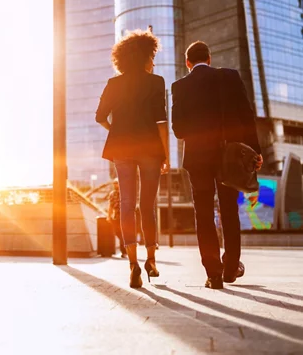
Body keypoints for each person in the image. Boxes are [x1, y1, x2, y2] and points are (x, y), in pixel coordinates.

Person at [171, 41, 262, 289]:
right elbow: (247, 116)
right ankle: (231, 267)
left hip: (198, 158)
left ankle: (213, 273)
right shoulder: (230, 77)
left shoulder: (179, 86)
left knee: (203, 212)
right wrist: (256, 152)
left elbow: (178, 130)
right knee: (229, 210)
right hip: (229, 156)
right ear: (209, 59)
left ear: (188, 63)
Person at [96, 29, 170, 288]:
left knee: (127, 205)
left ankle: (133, 265)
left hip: (122, 150)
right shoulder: (156, 82)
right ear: (142, 57)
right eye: (152, 57)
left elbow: (100, 117)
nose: (154, 62)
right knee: (147, 206)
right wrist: (166, 156)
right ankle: (151, 261)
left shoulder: (113, 83)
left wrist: (116, 131)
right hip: (150, 149)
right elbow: (161, 122)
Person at [107, 179, 127, 258]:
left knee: (123, 234)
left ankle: (124, 252)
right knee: (118, 233)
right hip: (115, 217)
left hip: (124, 216)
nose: (115, 185)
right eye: (114, 183)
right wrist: (109, 215)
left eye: (117, 183)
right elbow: (110, 205)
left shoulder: (125, 193)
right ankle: (125, 248)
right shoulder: (112, 194)